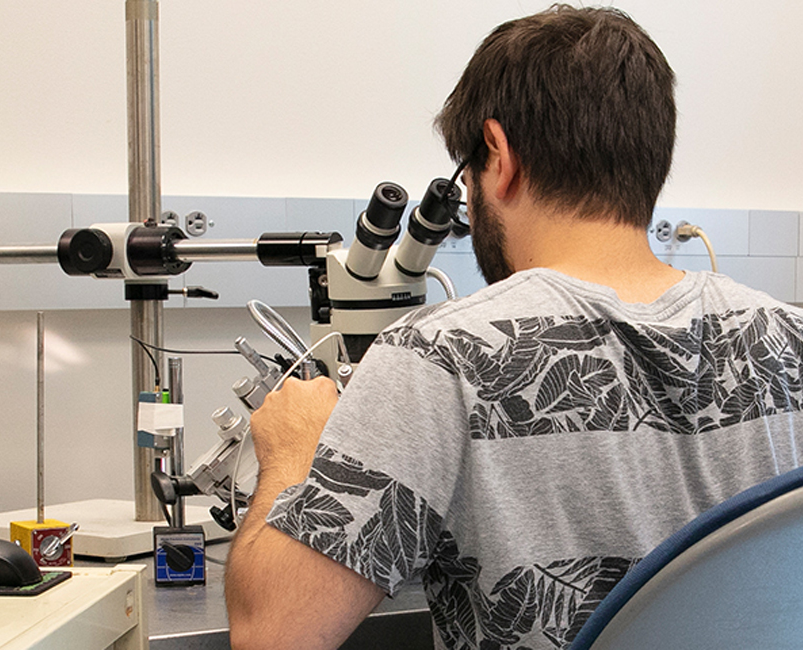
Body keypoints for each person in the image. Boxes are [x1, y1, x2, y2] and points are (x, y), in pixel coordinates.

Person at [225, 5, 803, 649]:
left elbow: (273, 634)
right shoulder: (791, 340)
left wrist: (293, 454)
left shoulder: (442, 356)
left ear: (497, 156)